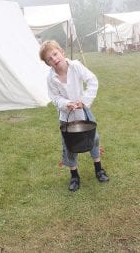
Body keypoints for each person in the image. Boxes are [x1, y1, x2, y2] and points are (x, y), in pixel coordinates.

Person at [39, 40, 109, 192]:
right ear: (47, 63)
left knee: (94, 139)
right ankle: (74, 176)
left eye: (55, 54)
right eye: (49, 59)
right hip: (66, 117)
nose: (54, 59)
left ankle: (99, 169)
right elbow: (54, 97)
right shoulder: (51, 78)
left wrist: (83, 101)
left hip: (84, 112)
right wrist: (66, 104)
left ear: (62, 52)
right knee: (69, 146)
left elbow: (92, 80)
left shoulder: (76, 66)